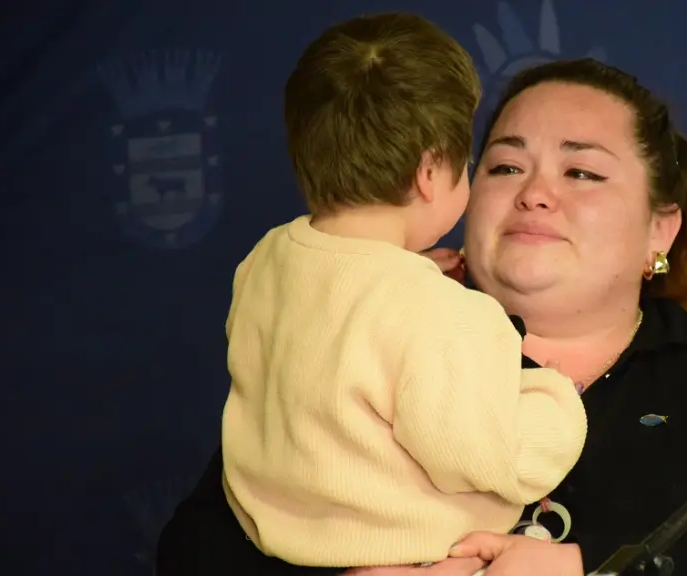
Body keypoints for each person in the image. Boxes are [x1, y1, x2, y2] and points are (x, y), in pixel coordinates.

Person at [157, 57, 687, 576]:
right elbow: (195, 549)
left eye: (581, 172)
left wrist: (580, 565)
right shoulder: (356, 336)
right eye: (503, 168)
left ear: (661, 230)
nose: (535, 195)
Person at [219, 11, 588, 572]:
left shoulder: (265, 259)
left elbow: (332, 335)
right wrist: (552, 396)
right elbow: (492, 458)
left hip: (277, 541)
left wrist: (404, 276)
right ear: (429, 171)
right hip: (411, 553)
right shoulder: (441, 311)